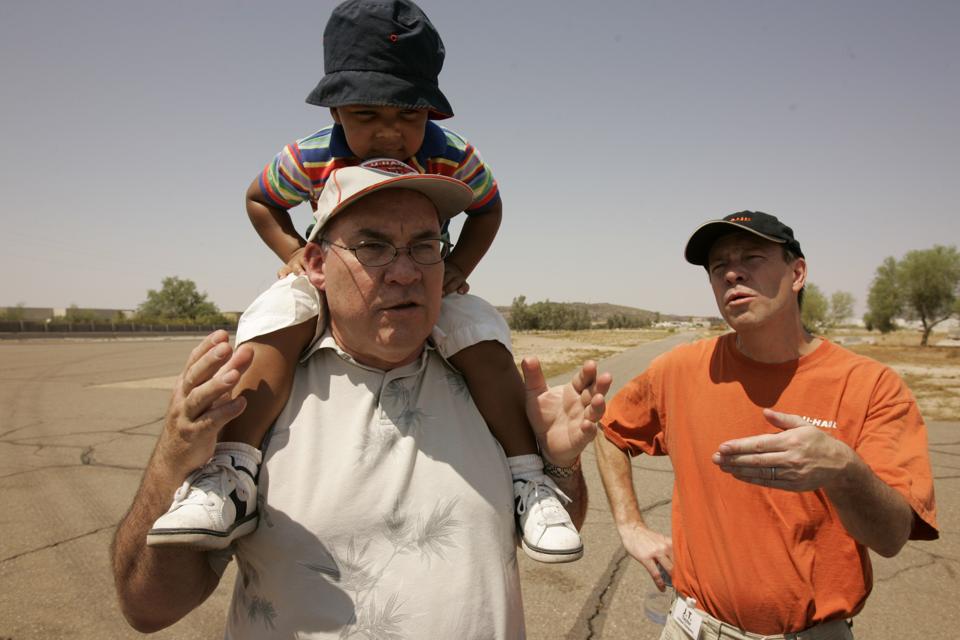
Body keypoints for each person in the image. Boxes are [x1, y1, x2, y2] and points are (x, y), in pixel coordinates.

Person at [146, 0, 583, 563]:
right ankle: (232, 472)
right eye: (367, 114)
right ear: (334, 110)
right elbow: (259, 199)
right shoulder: (308, 156)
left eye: (409, 115)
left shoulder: (452, 155)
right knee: (278, 313)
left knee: (477, 327)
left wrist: (458, 268)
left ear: (432, 112)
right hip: (335, 270)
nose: (389, 132)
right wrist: (295, 254)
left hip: (420, 272)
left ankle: (528, 480)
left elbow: (489, 208)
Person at [111, 166, 612, 638]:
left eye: (425, 246)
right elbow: (149, 607)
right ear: (315, 264)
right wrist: (173, 458)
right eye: (373, 246)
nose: (405, 272)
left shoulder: (488, 386)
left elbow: (551, 530)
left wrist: (559, 466)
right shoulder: (254, 398)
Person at [595, 211, 939, 639]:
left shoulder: (871, 386)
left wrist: (843, 469)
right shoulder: (680, 370)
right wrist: (630, 526)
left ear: (797, 273)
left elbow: (890, 537)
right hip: (692, 628)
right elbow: (610, 432)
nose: (732, 274)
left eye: (752, 258)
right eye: (718, 267)